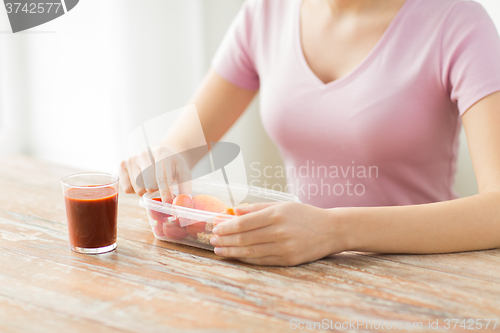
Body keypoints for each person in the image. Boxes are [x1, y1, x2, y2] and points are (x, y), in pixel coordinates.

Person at [120, 0, 500, 266]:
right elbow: (186, 144)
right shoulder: (265, 12)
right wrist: (161, 162)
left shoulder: (458, 22)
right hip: (300, 268)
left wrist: (335, 231)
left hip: (423, 270)